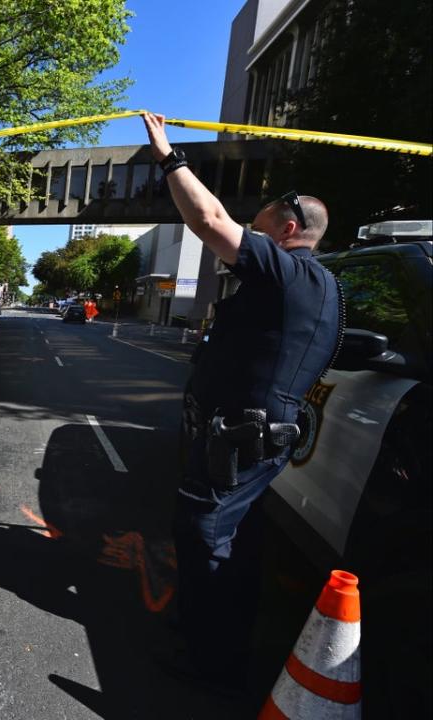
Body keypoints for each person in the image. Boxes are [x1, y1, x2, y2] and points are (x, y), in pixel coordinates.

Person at [141, 113, 341, 691]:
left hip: (242, 439)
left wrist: (167, 156)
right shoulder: (310, 283)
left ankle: (212, 661)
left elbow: (208, 218)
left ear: (289, 225)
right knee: (238, 539)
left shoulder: (289, 273)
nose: (250, 220)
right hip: (254, 437)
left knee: (203, 533)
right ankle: (226, 642)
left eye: (265, 215)